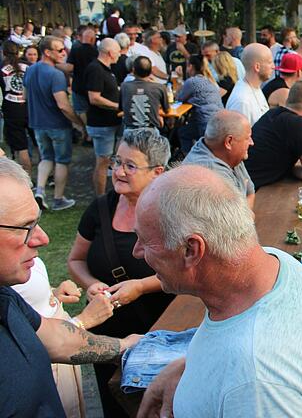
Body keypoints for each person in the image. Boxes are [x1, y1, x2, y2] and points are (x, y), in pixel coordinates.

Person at [133, 165, 302, 417]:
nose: (136, 251)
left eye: (146, 241)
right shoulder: (276, 264)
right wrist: (187, 368)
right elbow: (228, 347)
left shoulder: (257, 384)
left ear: (191, 250)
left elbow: (250, 376)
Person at [0, 157, 141, 418]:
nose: (43, 238)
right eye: (25, 228)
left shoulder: (5, 297)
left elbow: (54, 339)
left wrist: (125, 346)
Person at [67, 129, 175, 417]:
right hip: (106, 339)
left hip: (157, 332)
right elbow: (75, 260)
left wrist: (140, 286)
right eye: (117, 162)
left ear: (157, 172)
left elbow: (185, 271)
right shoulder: (100, 208)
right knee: (112, 405)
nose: (118, 171)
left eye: (130, 165)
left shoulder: (171, 213)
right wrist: (91, 284)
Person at [12, 256, 115, 418]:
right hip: (42, 368)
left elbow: (21, 301)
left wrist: (51, 293)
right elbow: (16, 345)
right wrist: (83, 321)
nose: (42, 238)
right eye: (22, 229)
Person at [24, 35, 84, 211]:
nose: (63, 52)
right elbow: (63, 105)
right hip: (57, 125)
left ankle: (40, 191)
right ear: (47, 52)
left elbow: (26, 96)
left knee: (45, 157)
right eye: (59, 50)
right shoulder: (56, 75)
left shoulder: (30, 70)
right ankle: (58, 199)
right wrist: (78, 122)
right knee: (62, 161)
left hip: (37, 123)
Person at [183, 110, 255, 207]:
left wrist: (246, 208)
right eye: (247, 138)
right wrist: (247, 210)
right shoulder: (210, 174)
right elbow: (241, 218)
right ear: (229, 142)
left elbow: (251, 192)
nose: (252, 142)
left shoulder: (230, 156)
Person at [85, 38, 122, 196]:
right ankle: (100, 199)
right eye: (118, 52)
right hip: (101, 124)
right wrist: (117, 106)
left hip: (110, 122)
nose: (120, 55)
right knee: (102, 162)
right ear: (110, 53)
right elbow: (94, 97)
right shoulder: (96, 69)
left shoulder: (106, 69)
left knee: (108, 161)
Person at [178, 55, 224, 153]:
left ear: (190, 66)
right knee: (186, 130)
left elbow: (179, 98)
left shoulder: (192, 82)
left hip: (205, 122)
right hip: (219, 119)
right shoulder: (209, 80)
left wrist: (179, 78)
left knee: (183, 132)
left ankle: (187, 159)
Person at [1, 41, 33, 175]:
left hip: (12, 109)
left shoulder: (2, 68)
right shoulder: (29, 66)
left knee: (21, 148)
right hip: (30, 107)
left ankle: (28, 179)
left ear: (3, 53)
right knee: (40, 143)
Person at [226, 42, 272, 126]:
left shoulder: (255, 88)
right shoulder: (242, 101)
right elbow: (238, 136)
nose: (273, 66)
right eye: (269, 62)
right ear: (257, 67)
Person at [121, 56, 169, 131]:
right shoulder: (160, 87)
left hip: (130, 131)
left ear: (133, 70)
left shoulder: (124, 86)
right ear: (150, 71)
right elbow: (167, 110)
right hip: (151, 131)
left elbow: (121, 108)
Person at [63, 27, 98, 126]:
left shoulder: (76, 49)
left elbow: (69, 67)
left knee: (81, 110)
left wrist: (56, 65)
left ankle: (86, 131)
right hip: (93, 85)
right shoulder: (96, 51)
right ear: (92, 39)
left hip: (78, 85)